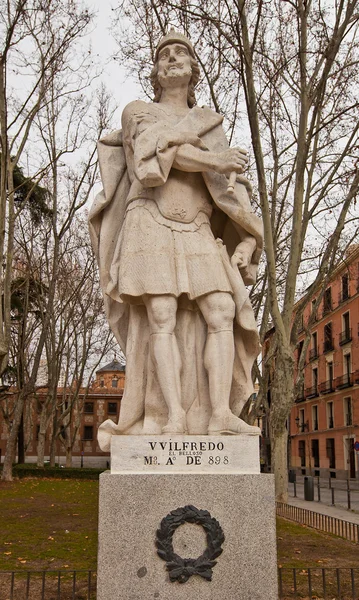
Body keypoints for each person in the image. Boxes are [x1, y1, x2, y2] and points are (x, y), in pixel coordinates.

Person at [89, 30, 263, 450]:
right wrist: (212, 157)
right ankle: (174, 418)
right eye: (163, 54)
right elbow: (150, 163)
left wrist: (249, 240)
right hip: (150, 220)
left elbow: (230, 188)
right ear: (155, 71)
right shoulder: (138, 111)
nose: (171, 58)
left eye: (180, 52)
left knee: (222, 308)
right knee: (161, 315)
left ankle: (220, 414)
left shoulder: (209, 121)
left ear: (193, 68)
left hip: (199, 225)